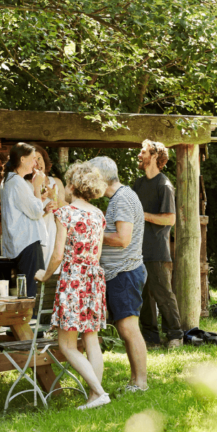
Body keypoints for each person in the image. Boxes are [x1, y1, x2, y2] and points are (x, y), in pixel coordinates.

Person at [36, 161, 111, 410]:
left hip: (74, 280)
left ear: (72, 185)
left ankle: (99, 392)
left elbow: (57, 255)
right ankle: (94, 397)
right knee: (91, 339)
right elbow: (97, 253)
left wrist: (45, 276)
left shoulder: (65, 214)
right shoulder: (98, 215)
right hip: (93, 278)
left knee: (66, 345)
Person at [90, 156, 149, 392]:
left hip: (125, 272)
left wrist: (95, 232)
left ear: (101, 177)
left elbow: (123, 239)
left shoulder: (122, 198)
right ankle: (135, 381)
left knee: (128, 329)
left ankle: (140, 382)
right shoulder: (120, 197)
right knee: (126, 329)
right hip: (121, 273)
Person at [132, 140, 183, 349]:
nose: (139, 155)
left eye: (143, 152)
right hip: (136, 249)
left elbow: (170, 219)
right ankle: (151, 339)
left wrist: (142, 215)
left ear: (154, 156)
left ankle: (175, 336)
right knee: (143, 296)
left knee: (163, 294)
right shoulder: (138, 184)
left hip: (157, 250)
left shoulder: (164, 185)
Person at [0, 143, 54, 298]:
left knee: (26, 290)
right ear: (22, 159)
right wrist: (37, 188)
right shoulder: (17, 182)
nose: (35, 164)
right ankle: (31, 321)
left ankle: (27, 320)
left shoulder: (8, 180)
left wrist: (37, 197)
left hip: (20, 244)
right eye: (32, 159)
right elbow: (36, 212)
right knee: (33, 292)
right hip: (28, 244)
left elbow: (26, 209)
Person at [31, 144, 66, 272]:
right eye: (33, 159)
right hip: (36, 232)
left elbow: (68, 209)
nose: (37, 163)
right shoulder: (26, 184)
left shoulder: (56, 182)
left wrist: (54, 196)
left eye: (39, 158)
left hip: (55, 230)